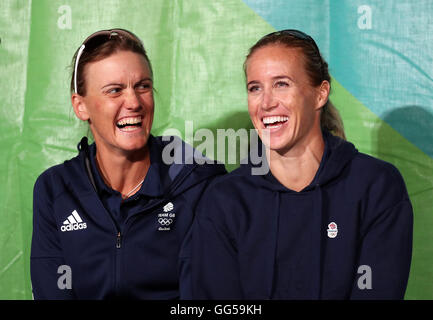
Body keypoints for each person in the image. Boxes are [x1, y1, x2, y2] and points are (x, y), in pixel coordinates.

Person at [191, 29, 413, 299]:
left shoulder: (376, 187)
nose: (266, 103)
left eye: (281, 84)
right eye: (255, 88)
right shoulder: (224, 199)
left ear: (320, 94)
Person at [30, 28, 226, 299]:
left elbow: (208, 294)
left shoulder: (197, 180)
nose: (133, 102)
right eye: (115, 90)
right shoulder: (54, 189)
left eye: (143, 86)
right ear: (81, 106)